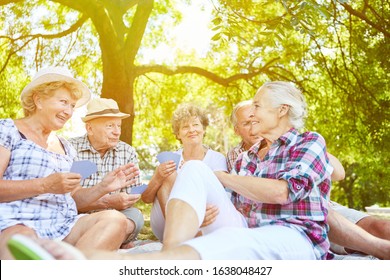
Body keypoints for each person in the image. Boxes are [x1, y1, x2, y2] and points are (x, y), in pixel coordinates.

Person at [16, 81, 335, 260]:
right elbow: (235, 202)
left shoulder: (308, 142)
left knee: (231, 245)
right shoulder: (249, 152)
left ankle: (105, 262)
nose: (249, 112)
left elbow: (282, 192)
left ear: (282, 111)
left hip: (289, 233)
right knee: (192, 170)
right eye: (186, 127)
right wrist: (157, 178)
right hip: (238, 222)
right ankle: (171, 252)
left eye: (257, 106)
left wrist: (219, 180)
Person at [0, 66, 139, 259]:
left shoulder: (65, 146)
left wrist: (103, 187)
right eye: (63, 102)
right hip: (18, 221)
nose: (69, 111)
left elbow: (74, 197)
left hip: (64, 225)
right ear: (38, 100)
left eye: (72, 105)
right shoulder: (8, 130)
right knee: (20, 240)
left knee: (116, 220)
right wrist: (45, 185)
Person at [228, 99, 390, 259]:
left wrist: (306, 148)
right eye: (247, 123)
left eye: (256, 119)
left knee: (382, 228)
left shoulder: (295, 142)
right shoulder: (238, 158)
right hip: (279, 218)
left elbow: (339, 174)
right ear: (236, 130)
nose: (254, 125)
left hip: (322, 207)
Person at [142, 103, 225, 241]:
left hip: (203, 218)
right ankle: (178, 232)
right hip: (166, 224)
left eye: (196, 125)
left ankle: (180, 235)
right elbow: (146, 199)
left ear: (203, 129)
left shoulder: (217, 158)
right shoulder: (171, 158)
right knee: (170, 174)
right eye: (185, 127)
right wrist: (158, 177)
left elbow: (219, 195)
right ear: (178, 134)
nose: (191, 130)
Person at [68, 98, 144, 247]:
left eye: (119, 126)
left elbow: (134, 192)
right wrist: (107, 201)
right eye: (110, 126)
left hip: (117, 214)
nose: (117, 132)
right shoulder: (69, 148)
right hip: (78, 216)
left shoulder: (127, 151)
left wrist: (127, 199)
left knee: (135, 217)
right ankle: (110, 241)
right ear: (89, 128)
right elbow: (67, 200)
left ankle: (100, 239)